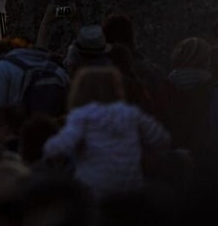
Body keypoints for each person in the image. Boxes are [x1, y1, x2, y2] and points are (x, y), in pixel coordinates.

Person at [42, 66, 171, 199]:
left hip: (93, 190)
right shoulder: (131, 113)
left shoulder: (82, 116)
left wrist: (48, 148)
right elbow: (162, 139)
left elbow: (62, 146)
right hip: (131, 188)